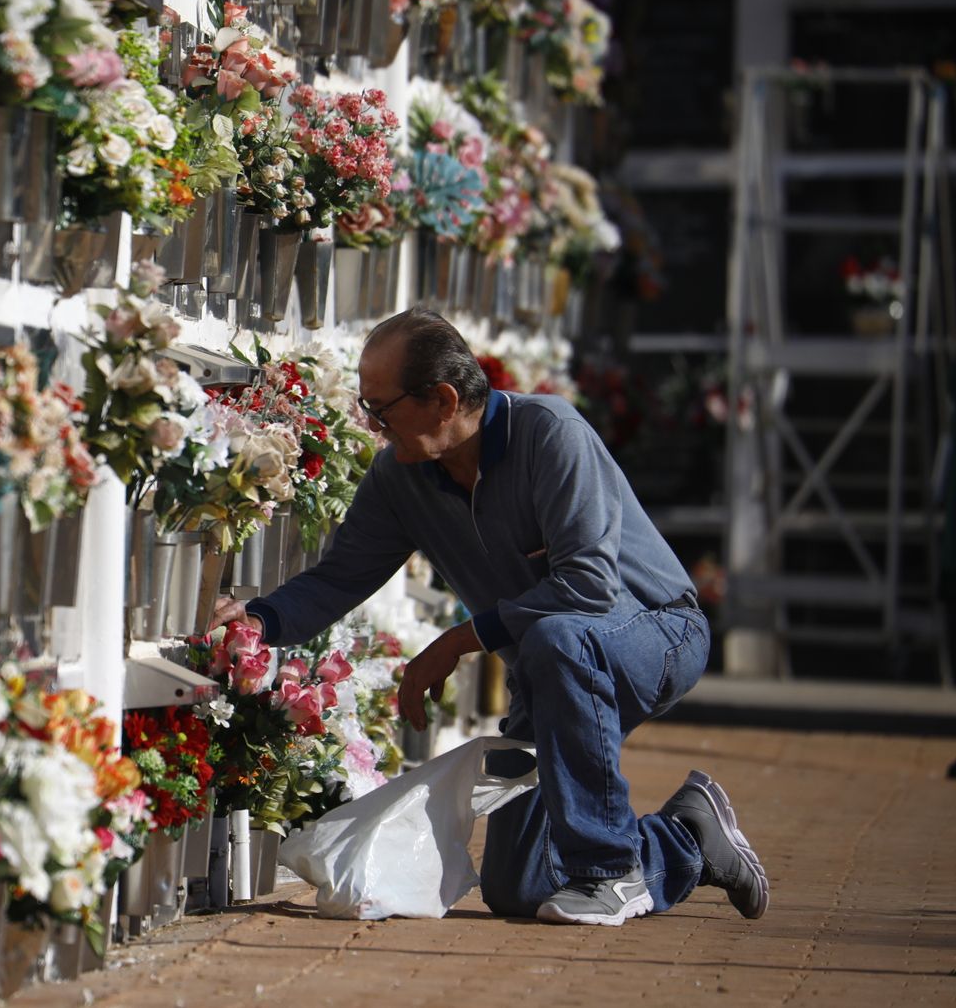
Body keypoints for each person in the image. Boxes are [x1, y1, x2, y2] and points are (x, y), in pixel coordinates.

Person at [209, 309, 769, 926]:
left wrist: (459, 641)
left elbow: (587, 585)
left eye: (382, 408)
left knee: (558, 639)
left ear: (443, 400)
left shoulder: (551, 433)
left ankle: (610, 872)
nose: (370, 425)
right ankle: (688, 839)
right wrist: (261, 619)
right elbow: (340, 577)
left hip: (655, 633)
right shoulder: (402, 477)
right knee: (519, 886)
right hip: (551, 664)